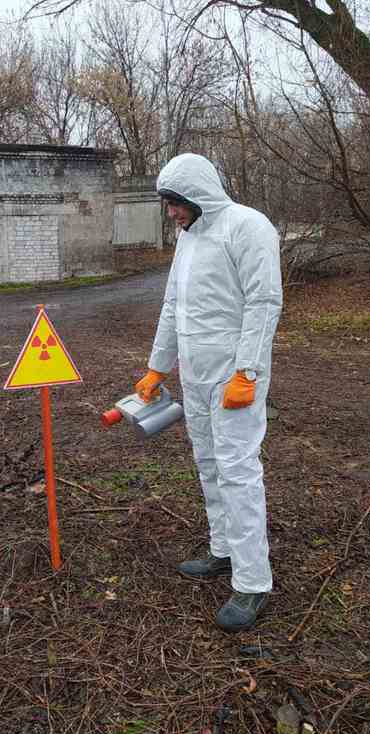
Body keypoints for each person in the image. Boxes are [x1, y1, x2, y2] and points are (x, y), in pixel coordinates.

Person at [135, 153, 283, 632]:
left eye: (176, 203)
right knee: (207, 460)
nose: (172, 213)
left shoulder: (248, 226)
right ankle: (223, 549)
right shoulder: (189, 238)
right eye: (168, 205)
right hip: (193, 374)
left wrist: (249, 370)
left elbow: (264, 300)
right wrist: (158, 368)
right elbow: (173, 306)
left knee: (238, 469)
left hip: (232, 373)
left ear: (198, 193)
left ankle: (253, 581)